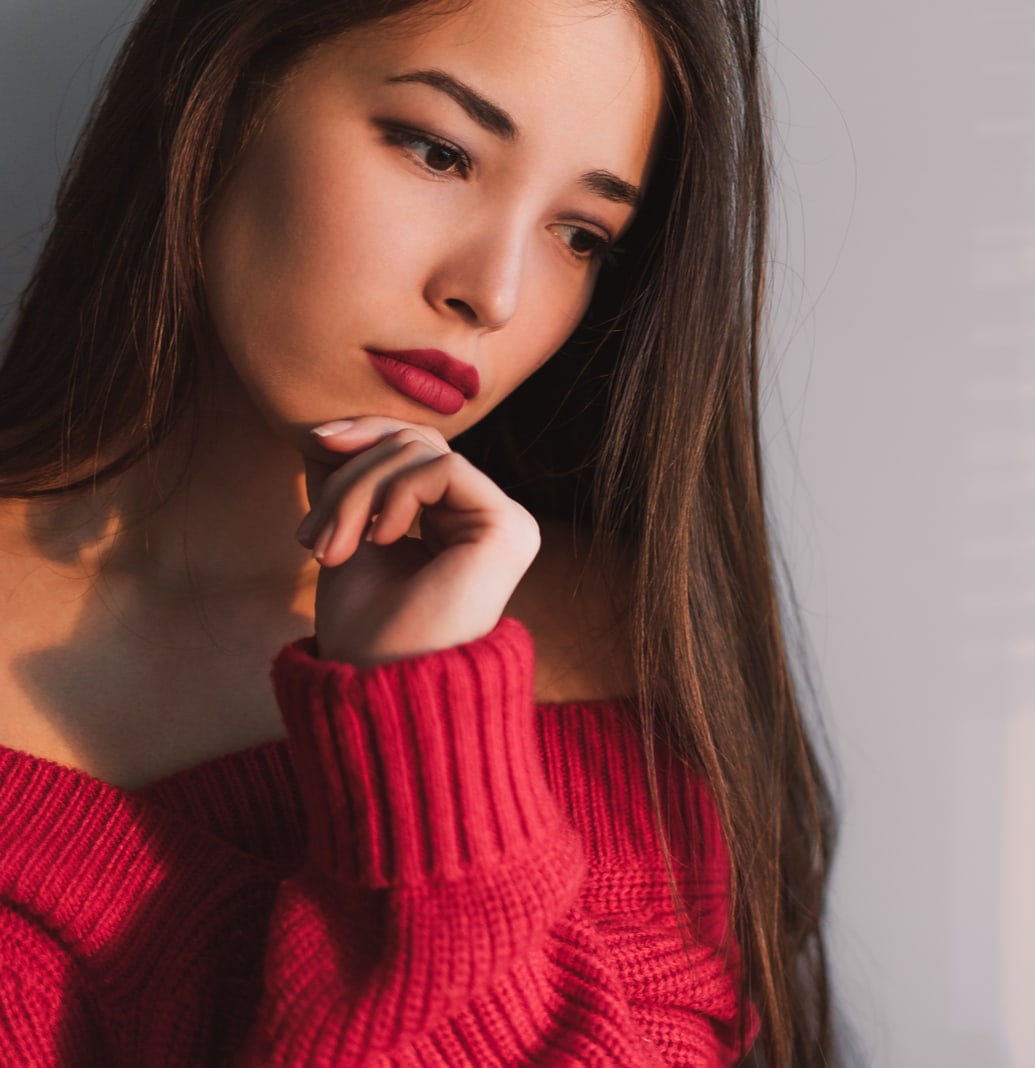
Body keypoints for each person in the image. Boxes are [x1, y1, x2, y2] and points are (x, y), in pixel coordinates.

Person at [0, 0, 843, 1064]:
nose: (490, 293)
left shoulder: (622, 657)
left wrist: (427, 717)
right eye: (439, 151)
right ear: (222, 94)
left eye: (580, 235)